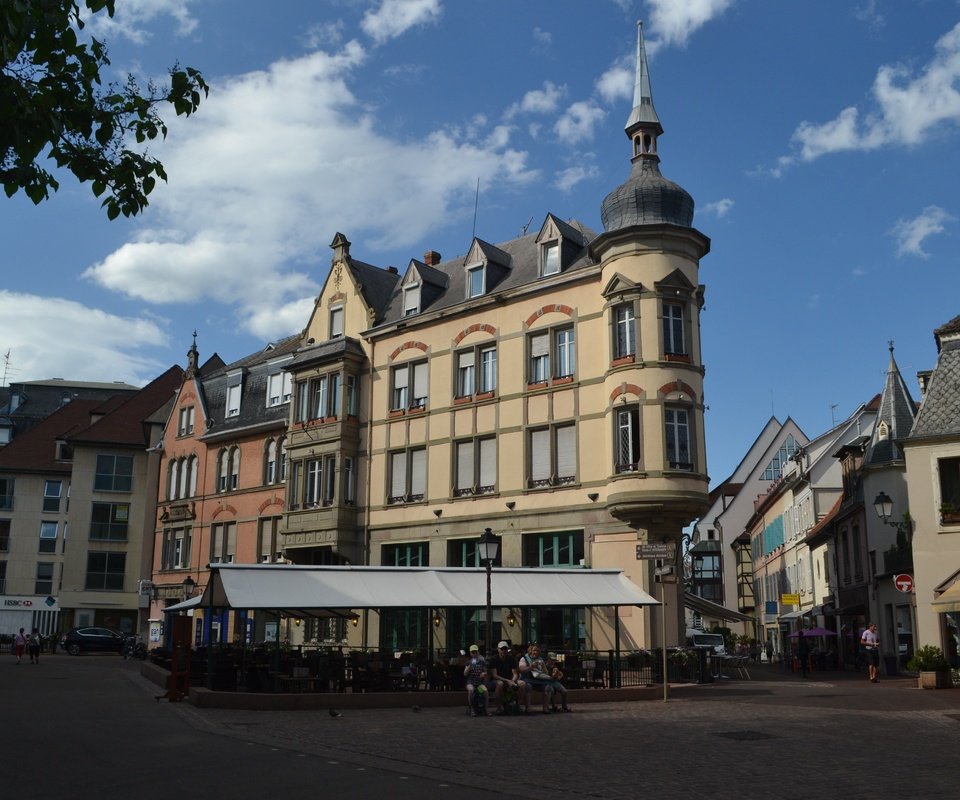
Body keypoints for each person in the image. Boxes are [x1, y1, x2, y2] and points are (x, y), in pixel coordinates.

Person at [487, 641, 527, 714]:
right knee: (500, 684)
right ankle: (499, 708)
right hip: (496, 681)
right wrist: (507, 681)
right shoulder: (493, 659)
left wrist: (512, 681)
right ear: (498, 649)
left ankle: (518, 706)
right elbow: (494, 675)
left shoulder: (511, 659)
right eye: (502, 649)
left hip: (509, 680)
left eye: (505, 649)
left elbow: (515, 673)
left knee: (522, 683)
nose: (504, 650)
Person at [518, 642, 554, 713]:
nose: (535, 652)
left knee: (548, 687)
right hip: (528, 679)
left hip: (539, 679)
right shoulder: (524, 658)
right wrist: (531, 667)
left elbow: (546, 673)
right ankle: (528, 708)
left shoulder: (540, 659)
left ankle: (545, 708)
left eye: (537, 651)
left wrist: (543, 666)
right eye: (534, 650)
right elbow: (521, 669)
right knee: (528, 687)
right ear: (530, 650)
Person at [463, 644, 488, 716]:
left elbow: (485, 672)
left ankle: (486, 710)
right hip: (470, 682)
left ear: (478, 652)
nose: (474, 654)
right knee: (471, 690)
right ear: (470, 653)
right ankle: (472, 709)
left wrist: (484, 674)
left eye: (475, 652)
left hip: (479, 682)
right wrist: (470, 665)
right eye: (472, 652)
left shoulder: (482, 662)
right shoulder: (468, 662)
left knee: (485, 691)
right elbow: (465, 674)